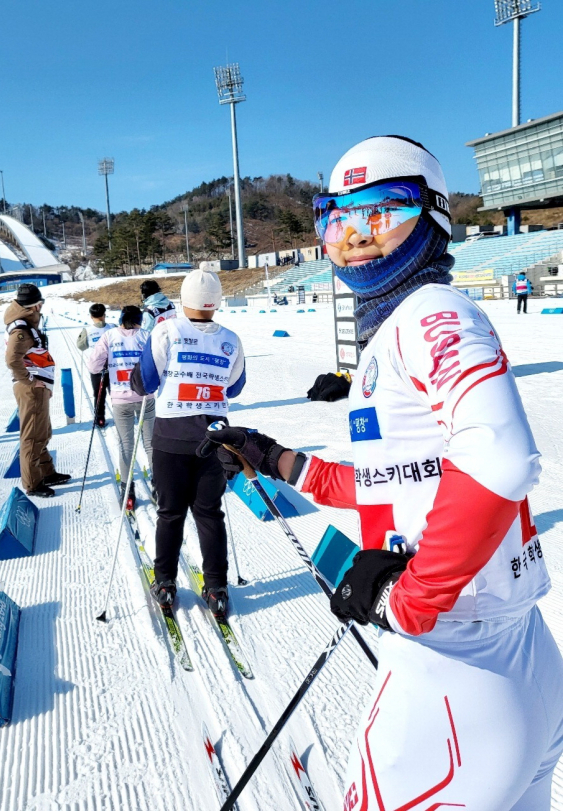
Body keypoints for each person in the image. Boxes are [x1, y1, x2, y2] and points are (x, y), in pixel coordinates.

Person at [203, 136, 563, 809]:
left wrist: (410, 596)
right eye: (335, 220)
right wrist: (279, 459)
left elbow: (501, 455)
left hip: (452, 669)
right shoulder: (400, 330)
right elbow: (401, 478)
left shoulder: (430, 314)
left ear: (433, 215)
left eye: (379, 213)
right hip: (517, 667)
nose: (355, 239)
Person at [130, 267, 246, 618]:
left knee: (170, 514)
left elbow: (143, 382)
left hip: (171, 438)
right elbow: (236, 387)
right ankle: (216, 586)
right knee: (209, 514)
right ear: (217, 302)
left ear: (182, 299)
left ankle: (165, 581)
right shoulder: (231, 338)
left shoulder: (166, 330)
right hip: (214, 437)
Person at [4, 283, 71, 498]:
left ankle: (46, 472)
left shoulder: (26, 325)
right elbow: (12, 360)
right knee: (32, 437)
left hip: (38, 387)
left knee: (42, 433)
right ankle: (33, 483)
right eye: (40, 304)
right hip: (31, 389)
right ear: (34, 306)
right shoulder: (21, 330)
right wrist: (32, 381)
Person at [88, 305, 154, 509]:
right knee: (151, 444)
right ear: (139, 320)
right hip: (145, 398)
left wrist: (108, 364)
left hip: (120, 398)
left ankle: (128, 493)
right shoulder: (146, 336)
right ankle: (159, 488)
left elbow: (93, 366)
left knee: (126, 445)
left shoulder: (109, 336)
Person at [76, 303, 116, 427]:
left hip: (97, 368)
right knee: (116, 392)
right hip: (113, 367)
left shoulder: (87, 330)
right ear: (104, 315)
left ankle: (99, 419)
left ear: (91, 316)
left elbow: (81, 346)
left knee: (99, 393)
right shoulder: (112, 327)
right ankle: (122, 417)